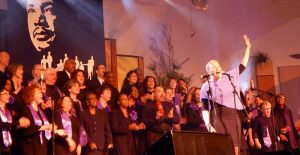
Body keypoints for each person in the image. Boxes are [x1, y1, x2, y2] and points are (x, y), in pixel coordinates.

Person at [200, 34, 251, 155]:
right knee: (222, 147)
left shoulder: (229, 76)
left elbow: (243, 65)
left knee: (235, 148)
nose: (216, 68)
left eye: (217, 65)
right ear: (208, 72)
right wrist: (208, 124)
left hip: (233, 116)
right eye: (213, 67)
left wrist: (248, 47)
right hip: (217, 117)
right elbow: (205, 108)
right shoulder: (206, 85)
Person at [19, 85, 54, 155]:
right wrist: (44, 127)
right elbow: (26, 130)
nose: (42, 94)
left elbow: (47, 125)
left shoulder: (41, 111)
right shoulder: (25, 109)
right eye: (39, 92)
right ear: (32, 95)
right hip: (31, 147)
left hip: (42, 146)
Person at [0, 77, 30, 155]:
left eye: (8, 94)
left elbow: (11, 127)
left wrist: (20, 125)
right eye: (5, 94)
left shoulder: (8, 111)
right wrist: (18, 123)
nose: (8, 96)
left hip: (9, 146)